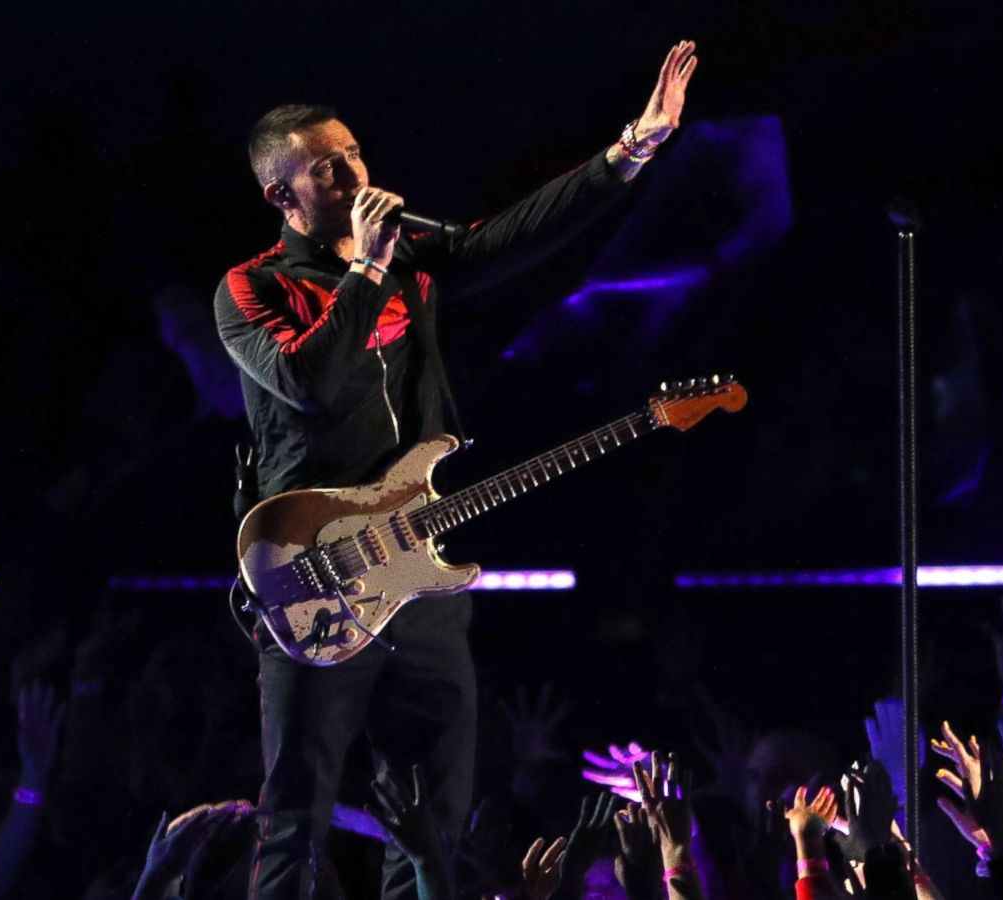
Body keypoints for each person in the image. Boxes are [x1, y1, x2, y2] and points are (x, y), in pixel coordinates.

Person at [212, 41, 699, 899]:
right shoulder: (251, 289)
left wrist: (632, 149)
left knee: (433, 813)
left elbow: (513, 234)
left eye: (355, 153)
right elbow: (310, 385)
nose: (357, 174)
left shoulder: (410, 253)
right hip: (312, 575)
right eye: (329, 170)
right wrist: (364, 267)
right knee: (297, 815)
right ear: (281, 196)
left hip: (418, 573)